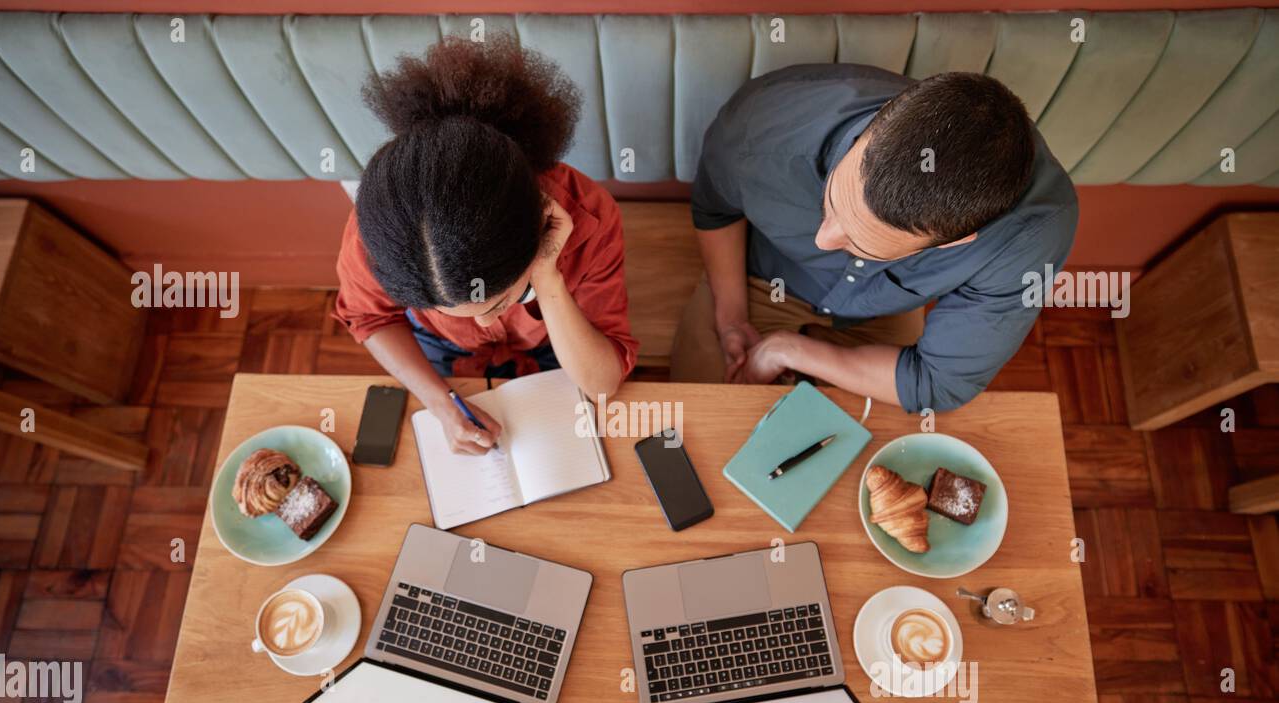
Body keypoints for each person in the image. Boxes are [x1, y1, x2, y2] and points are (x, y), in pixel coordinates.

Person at [672, 66, 1078, 412]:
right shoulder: (760, 129)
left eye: (860, 244)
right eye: (831, 200)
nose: (822, 239)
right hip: (756, 279)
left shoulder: (1032, 233)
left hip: (879, 319)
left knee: (869, 466)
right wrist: (731, 318)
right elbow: (715, 208)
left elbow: (937, 383)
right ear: (877, 124)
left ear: (953, 242)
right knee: (703, 431)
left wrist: (787, 350)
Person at [334, 36, 637, 454]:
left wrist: (548, 280)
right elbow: (370, 319)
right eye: (445, 306)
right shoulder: (379, 234)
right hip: (439, 348)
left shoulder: (590, 216)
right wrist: (440, 404)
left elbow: (603, 385)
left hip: (553, 337)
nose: (481, 324)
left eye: (499, 303)